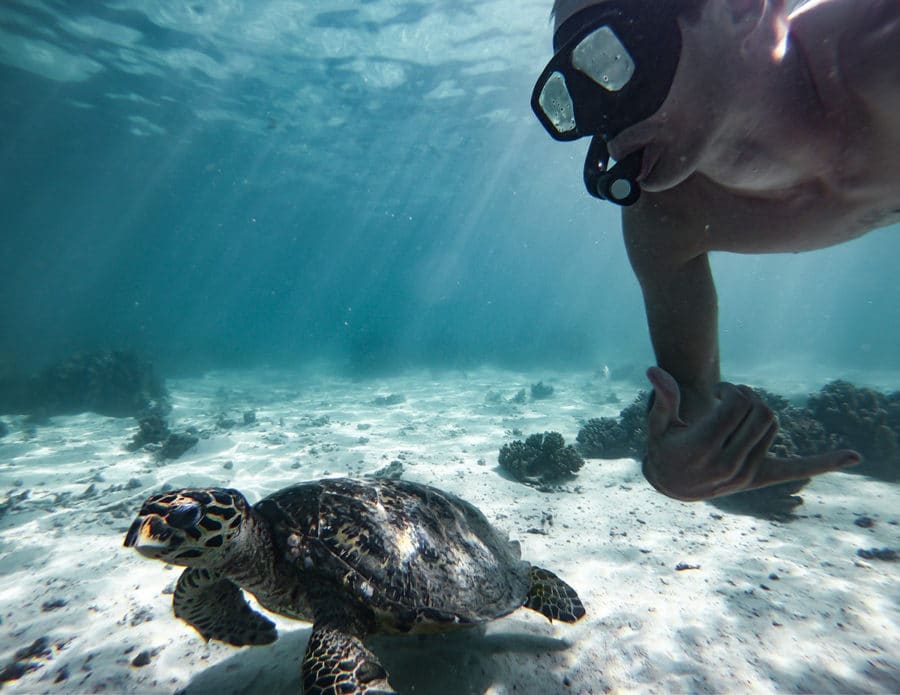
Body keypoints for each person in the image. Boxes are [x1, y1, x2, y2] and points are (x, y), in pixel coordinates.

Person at [531, 0, 900, 500]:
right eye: (575, 93)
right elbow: (690, 408)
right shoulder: (664, 216)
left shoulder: (881, 54)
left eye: (611, 57)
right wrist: (677, 466)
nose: (607, 119)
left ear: (742, 10)